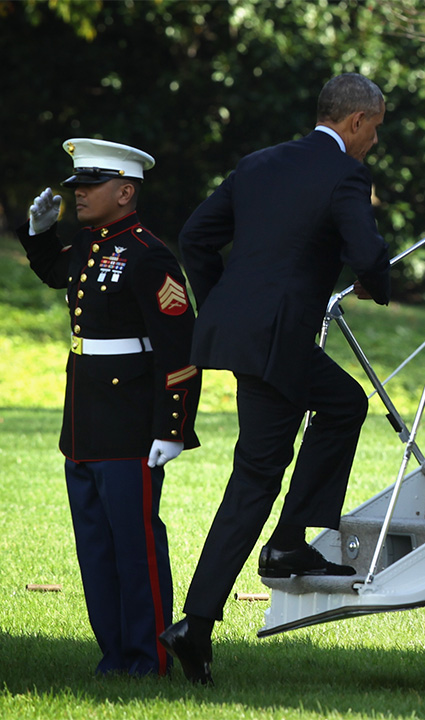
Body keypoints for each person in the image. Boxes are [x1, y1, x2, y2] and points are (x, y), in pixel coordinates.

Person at [159, 72, 391, 685]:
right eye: (376, 129)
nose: (374, 142)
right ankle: (198, 622)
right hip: (275, 343)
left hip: (254, 337)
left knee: (342, 403)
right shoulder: (347, 172)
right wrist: (376, 284)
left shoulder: (260, 162)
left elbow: (195, 237)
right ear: (356, 122)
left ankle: (288, 543)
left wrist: (228, 307)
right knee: (257, 475)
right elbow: (366, 254)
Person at [16, 138, 202, 677]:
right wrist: (38, 233)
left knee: (134, 548)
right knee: (96, 550)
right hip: (84, 423)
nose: (78, 194)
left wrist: (172, 428)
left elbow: (179, 350)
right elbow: (58, 273)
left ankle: (151, 659)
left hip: (129, 426)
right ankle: (115, 656)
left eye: (90, 186)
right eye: (77, 185)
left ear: (125, 191)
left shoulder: (148, 254)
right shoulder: (90, 244)